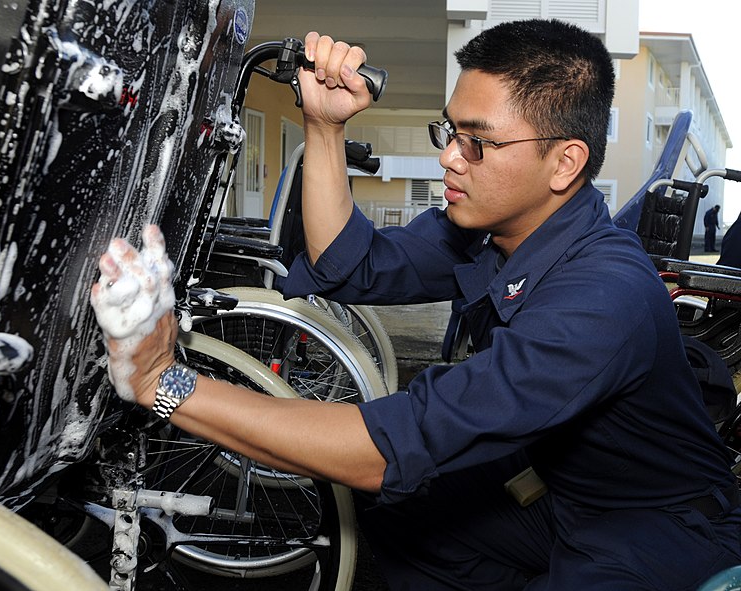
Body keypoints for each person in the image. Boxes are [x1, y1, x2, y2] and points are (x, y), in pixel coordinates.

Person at [91, 19, 741, 590]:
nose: (447, 159)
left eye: (476, 143)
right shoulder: (496, 228)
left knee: (396, 476)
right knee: (403, 511)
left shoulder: (603, 295)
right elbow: (348, 265)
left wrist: (163, 381)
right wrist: (324, 125)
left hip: (656, 527)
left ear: (564, 162)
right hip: (565, 498)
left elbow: (391, 446)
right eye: (449, 132)